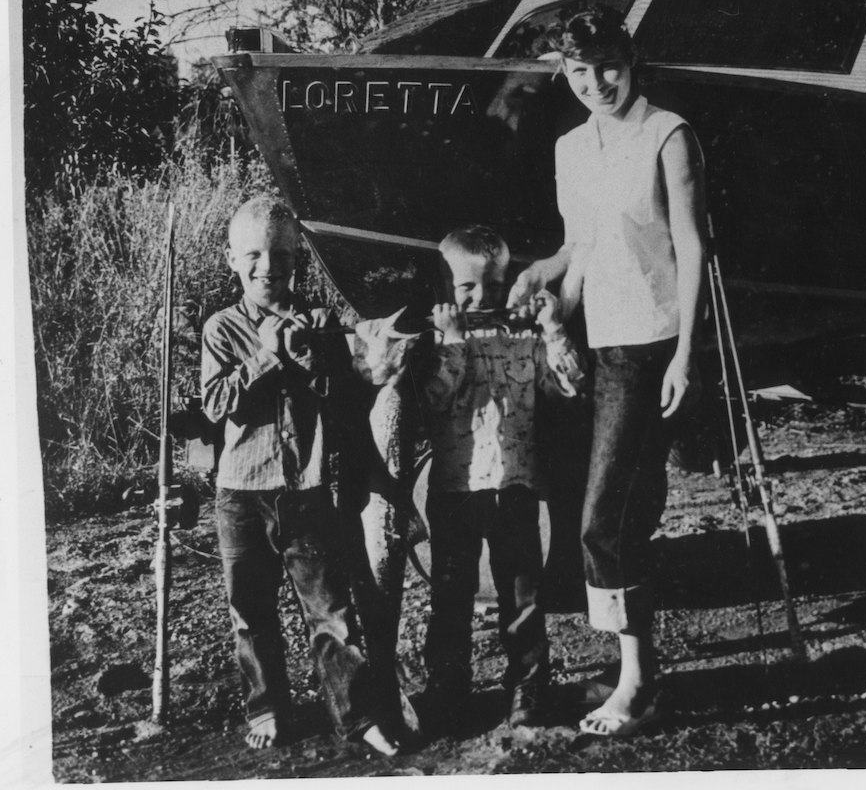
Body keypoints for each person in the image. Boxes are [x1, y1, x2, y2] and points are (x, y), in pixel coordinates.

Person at [507, 5, 705, 737]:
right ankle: (632, 665)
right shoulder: (569, 148)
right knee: (598, 512)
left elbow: (692, 247)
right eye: (578, 71)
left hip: (645, 345)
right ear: (564, 73)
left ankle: (639, 683)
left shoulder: (667, 134)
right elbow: (578, 246)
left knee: (604, 521)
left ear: (631, 57)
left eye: (608, 65)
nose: (596, 83)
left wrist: (686, 351)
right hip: (587, 345)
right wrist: (541, 272)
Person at [201, 196, 399, 755]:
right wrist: (265, 356)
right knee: (251, 612)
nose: (269, 267)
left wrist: (316, 360)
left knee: (331, 612)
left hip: (306, 492)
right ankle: (266, 706)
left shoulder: (318, 323)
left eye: (283, 255)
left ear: (298, 261)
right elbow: (217, 406)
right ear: (232, 260)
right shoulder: (221, 329)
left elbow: (346, 397)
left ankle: (356, 718)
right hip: (240, 494)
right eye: (254, 255)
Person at [420, 225, 586, 728]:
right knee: (450, 596)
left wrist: (554, 328)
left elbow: (570, 386)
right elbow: (432, 400)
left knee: (522, 595)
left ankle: (528, 689)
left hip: (515, 486)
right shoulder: (438, 339)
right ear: (447, 288)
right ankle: (448, 690)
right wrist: (451, 344)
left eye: (492, 285)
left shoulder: (524, 336)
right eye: (467, 287)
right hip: (455, 488)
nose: (481, 296)